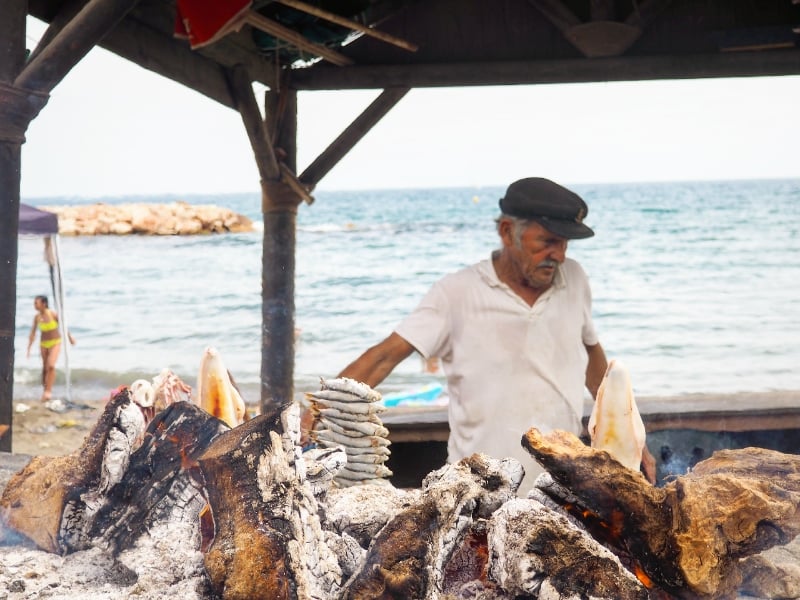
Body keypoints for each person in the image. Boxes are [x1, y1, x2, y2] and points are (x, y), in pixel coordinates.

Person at [306, 177, 653, 492]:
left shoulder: (574, 278)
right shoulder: (456, 292)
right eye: (547, 242)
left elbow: (593, 354)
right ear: (506, 232)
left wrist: (630, 438)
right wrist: (317, 411)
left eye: (564, 244)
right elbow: (386, 355)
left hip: (560, 486)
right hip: (478, 490)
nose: (558, 256)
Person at [26, 295, 75, 401]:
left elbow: (63, 326)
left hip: (55, 342)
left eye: (36, 303)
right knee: (44, 369)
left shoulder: (52, 314)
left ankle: (48, 391)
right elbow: (33, 333)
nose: (34, 305)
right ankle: (45, 391)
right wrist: (29, 348)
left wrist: (70, 338)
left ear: (44, 304)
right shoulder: (37, 317)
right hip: (43, 344)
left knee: (51, 365)